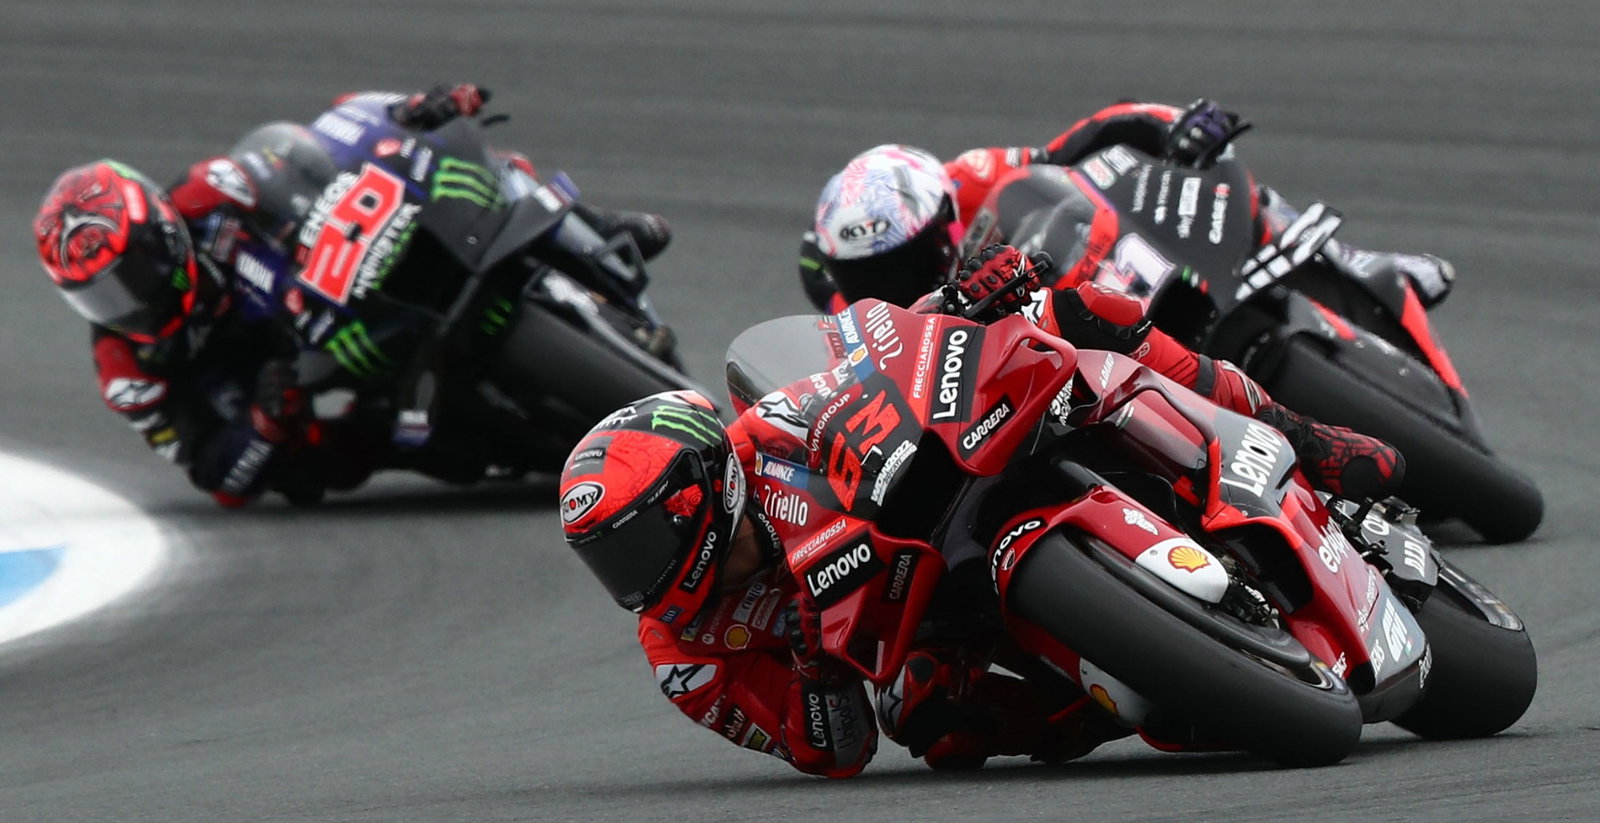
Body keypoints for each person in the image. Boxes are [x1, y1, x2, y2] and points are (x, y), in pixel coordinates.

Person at [34, 84, 672, 507]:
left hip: (342, 283)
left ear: (162, 235)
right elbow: (214, 474)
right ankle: (486, 434)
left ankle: (593, 224)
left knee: (482, 165)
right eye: (98, 296)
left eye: (131, 275)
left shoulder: (211, 192)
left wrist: (412, 112)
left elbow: (323, 142)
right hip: (303, 377)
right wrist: (262, 421)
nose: (125, 303)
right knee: (323, 466)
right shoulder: (128, 369)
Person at [797, 102, 1415, 501]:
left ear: (940, 216)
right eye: (874, 271)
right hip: (985, 412)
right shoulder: (846, 317)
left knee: (1102, 310)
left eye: (907, 254)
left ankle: (1308, 422)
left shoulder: (966, 176)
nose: (894, 276)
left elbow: (1085, 140)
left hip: (1076, 292)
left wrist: (1174, 126)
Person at [559, 385, 1134, 778]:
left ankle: (1216, 397)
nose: (634, 577)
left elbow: (881, 358)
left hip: (940, 510)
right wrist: (817, 672)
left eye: (637, 546)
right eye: (610, 560)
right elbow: (832, 752)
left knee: (1069, 329)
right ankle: (1084, 718)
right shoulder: (681, 655)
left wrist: (956, 303)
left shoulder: (772, 429)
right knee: (923, 709)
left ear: (692, 492)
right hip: (909, 628)